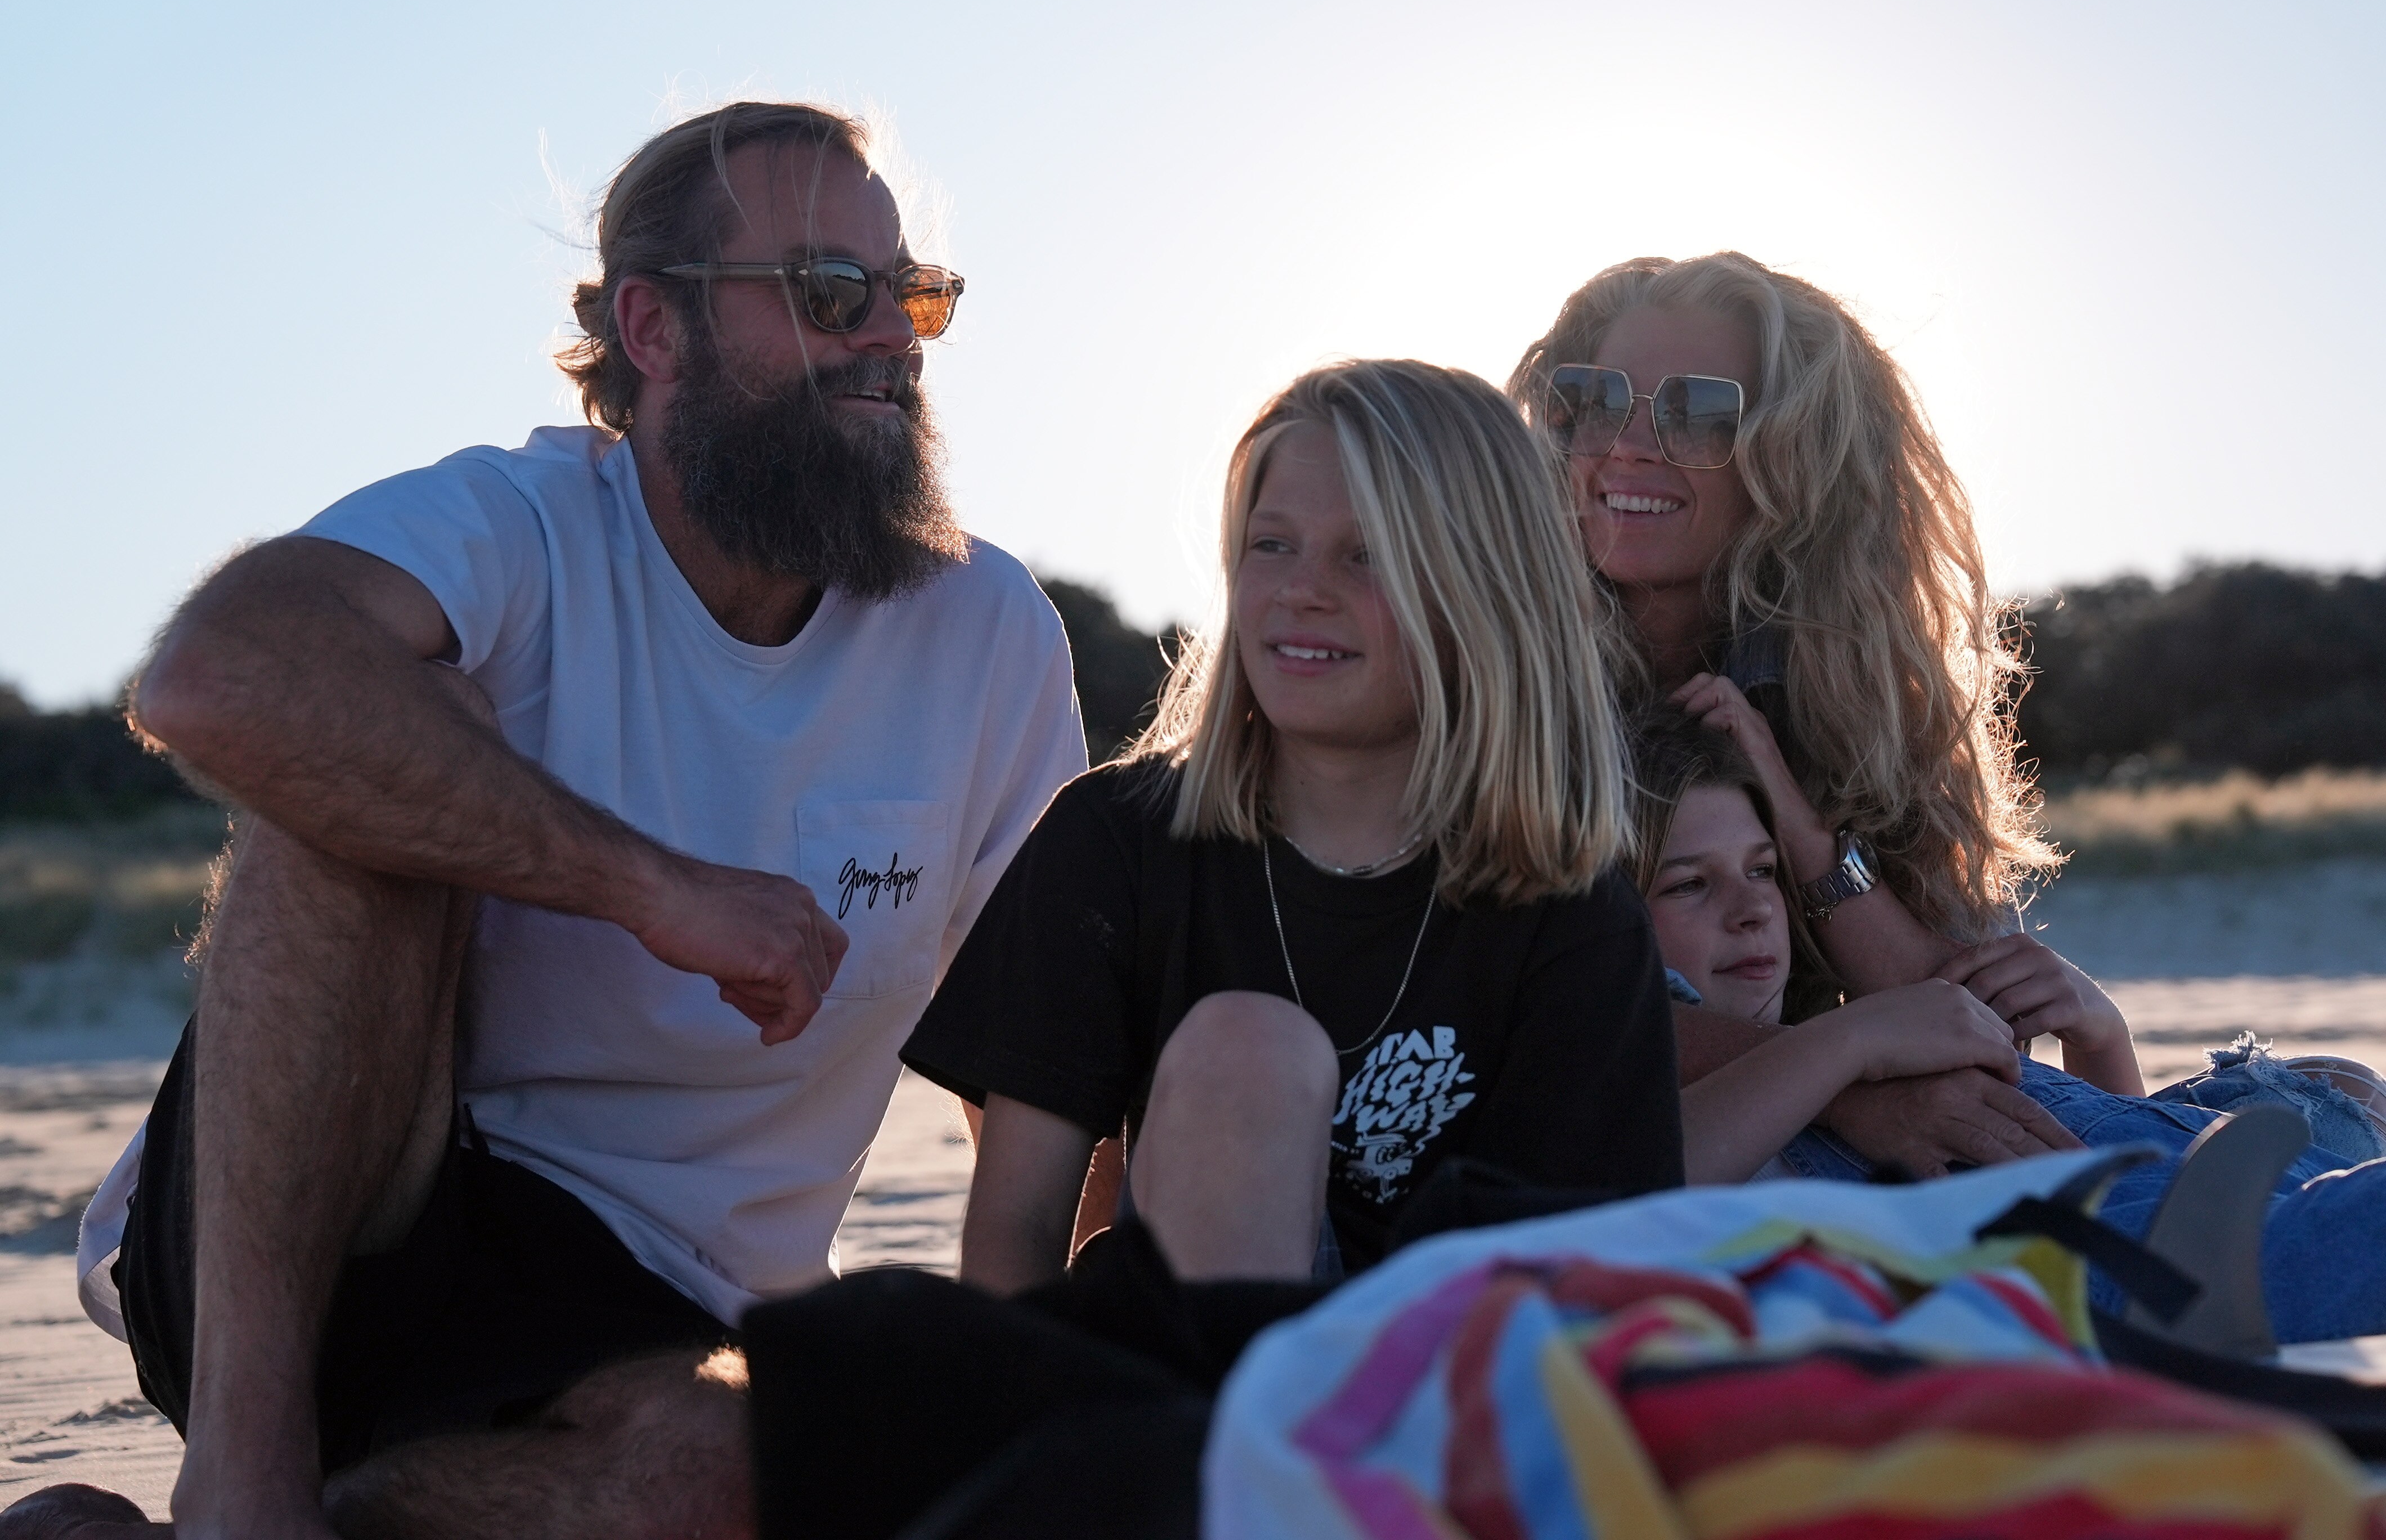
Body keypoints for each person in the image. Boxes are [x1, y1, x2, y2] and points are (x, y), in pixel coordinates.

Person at [25, 101, 1086, 1540]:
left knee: (729, 1476)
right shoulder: (518, 529)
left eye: (912, 297)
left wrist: (1089, 1385)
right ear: (654, 331)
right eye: (833, 294)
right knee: (374, 739)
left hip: (665, 1318)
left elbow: (1048, 1061)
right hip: (333, 1231)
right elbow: (221, 678)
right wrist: (650, 890)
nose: (888, 338)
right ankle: (246, 1482)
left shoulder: (984, 635)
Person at [902, 358, 1683, 1295]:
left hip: (1446, 1393)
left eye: (1366, 555)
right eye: (1272, 544)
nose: (1302, 589)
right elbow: (1014, 1243)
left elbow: (1586, 1284)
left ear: (1484, 595)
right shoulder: (1117, 843)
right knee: (1249, 1054)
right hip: (1176, 1395)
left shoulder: (1573, 918)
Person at [1510, 253, 2100, 1177]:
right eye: (1596, 399)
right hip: (1607, 1148)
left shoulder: (1843, 680)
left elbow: (1951, 1017)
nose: (1625, 443)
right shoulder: (1499, 664)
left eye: (1695, 414)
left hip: (1809, 1119)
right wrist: (1845, 1076)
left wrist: (1813, 841)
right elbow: (1511, 1005)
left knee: (2336, 1095)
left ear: (1796, 460)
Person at [1632, 710, 2386, 1343]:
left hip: (2162, 1191)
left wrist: (2101, 1039)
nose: (1752, 907)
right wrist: (1852, 1040)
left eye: (1763, 871)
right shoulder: (1653, 1074)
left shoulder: (1824, 1042)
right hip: (2136, 1259)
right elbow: (1640, 1179)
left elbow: (2100, 1149)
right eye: (1691, 884)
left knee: (2336, 1094)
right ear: (1615, 933)